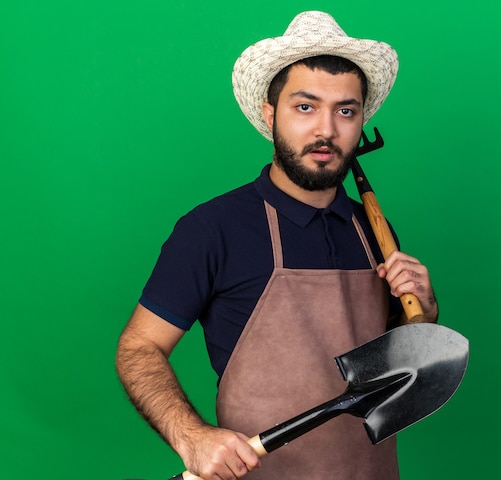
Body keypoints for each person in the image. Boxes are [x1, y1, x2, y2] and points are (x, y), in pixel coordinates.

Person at [116, 10, 438, 480]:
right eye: (305, 107)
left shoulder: (372, 230)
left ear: (361, 119)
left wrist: (424, 314)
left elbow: (400, 366)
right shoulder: (213, 228)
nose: (326, 130)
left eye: (345, 110)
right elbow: (138, 347)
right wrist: (192, 437)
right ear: (270, 115)